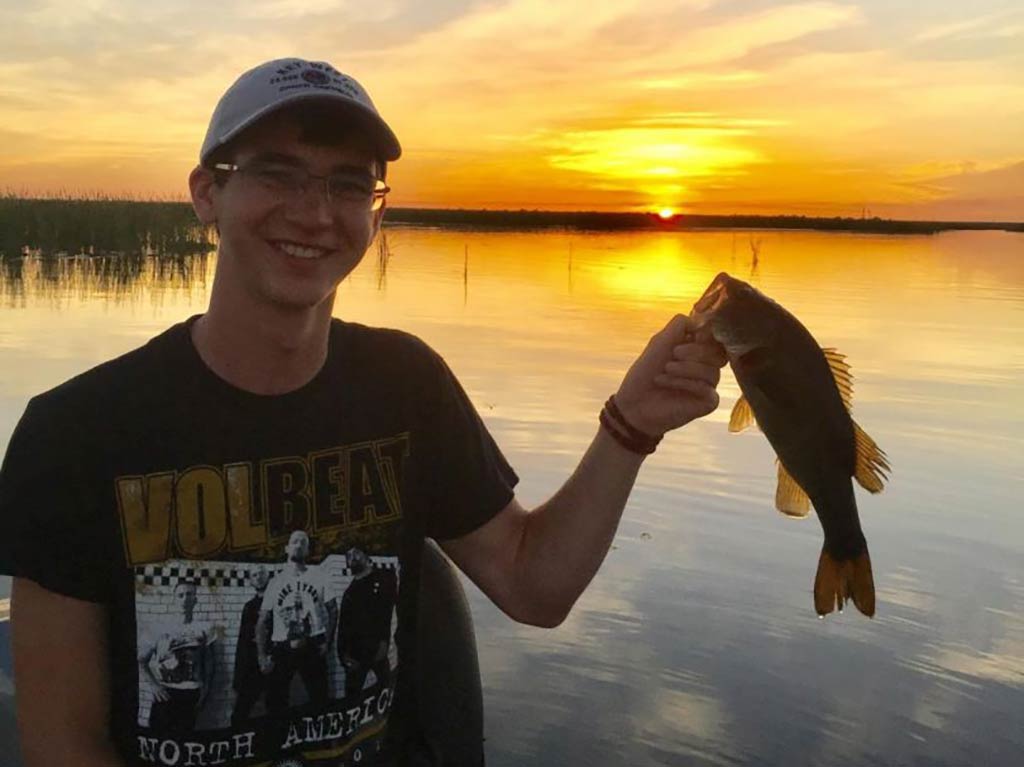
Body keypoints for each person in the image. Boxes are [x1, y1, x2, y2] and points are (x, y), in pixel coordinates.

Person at [0, 56, 727, 766]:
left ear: (374, 211)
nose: (315, 213)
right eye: (277, 173)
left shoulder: (406, 385)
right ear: (206, 192)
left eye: (348, 184)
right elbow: (63, 742)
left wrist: (631, 424)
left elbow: (534, 587)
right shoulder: (74, 433)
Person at [257, 530, 336, 712]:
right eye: (294, 541)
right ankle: (279, 738)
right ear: (287, 548)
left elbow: (333, 609)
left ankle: (321, 739)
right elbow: (263, 620)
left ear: (308, 550)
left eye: (303, 542)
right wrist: (262, 656)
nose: (298, 544)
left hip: (313, 641)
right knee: (276, 700)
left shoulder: (319, 576)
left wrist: (328, 642)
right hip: (282, 645)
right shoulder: (275, 581)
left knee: (320, 697)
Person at [136, 579, 215, 733]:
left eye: (189, 594)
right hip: (165, 692)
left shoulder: (205, 628)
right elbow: (141, 660)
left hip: (191, 693)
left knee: (185, 738)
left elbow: (210, 665)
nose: (184, 599)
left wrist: (205, 693)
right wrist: (154, 686)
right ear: (174, 599)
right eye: (180, 595)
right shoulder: (158, 627)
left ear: (195, 599)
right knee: (159, 738)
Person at [337, 547, 398, 698]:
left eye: (356, 553)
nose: (353, 557)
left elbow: (386, 612)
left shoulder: (383, 579)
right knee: (351, 696)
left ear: (366, 556)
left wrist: (384, 641)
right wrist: (343, 655)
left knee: (386, 688)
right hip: (355, 653)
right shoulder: (349, 593)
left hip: (377, 647)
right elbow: (343, 625)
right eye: (349, 556)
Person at [231, 567, 271, 726]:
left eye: (261, 573)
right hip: (251, 669)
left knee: (273, 711)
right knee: (239, 715)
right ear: (251, 581)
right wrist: (237, 680)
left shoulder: (277, 603)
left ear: (268, 577)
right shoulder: (249, 607)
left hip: (273, 665)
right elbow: (243, 644)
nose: (259, 577)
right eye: (254, 575)